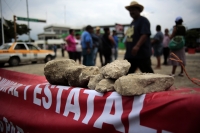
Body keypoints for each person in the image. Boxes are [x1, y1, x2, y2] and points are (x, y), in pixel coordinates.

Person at [124, 1, 154, 73]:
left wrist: (137, 46)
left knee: (148, 74)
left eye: (133, 9)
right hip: (130, 55)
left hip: (141, 54)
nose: (131, 12)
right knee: (126, 74)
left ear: (139, 10)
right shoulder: (132, 22)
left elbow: (145, 34)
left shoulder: (143, 20)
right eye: (130, 10)